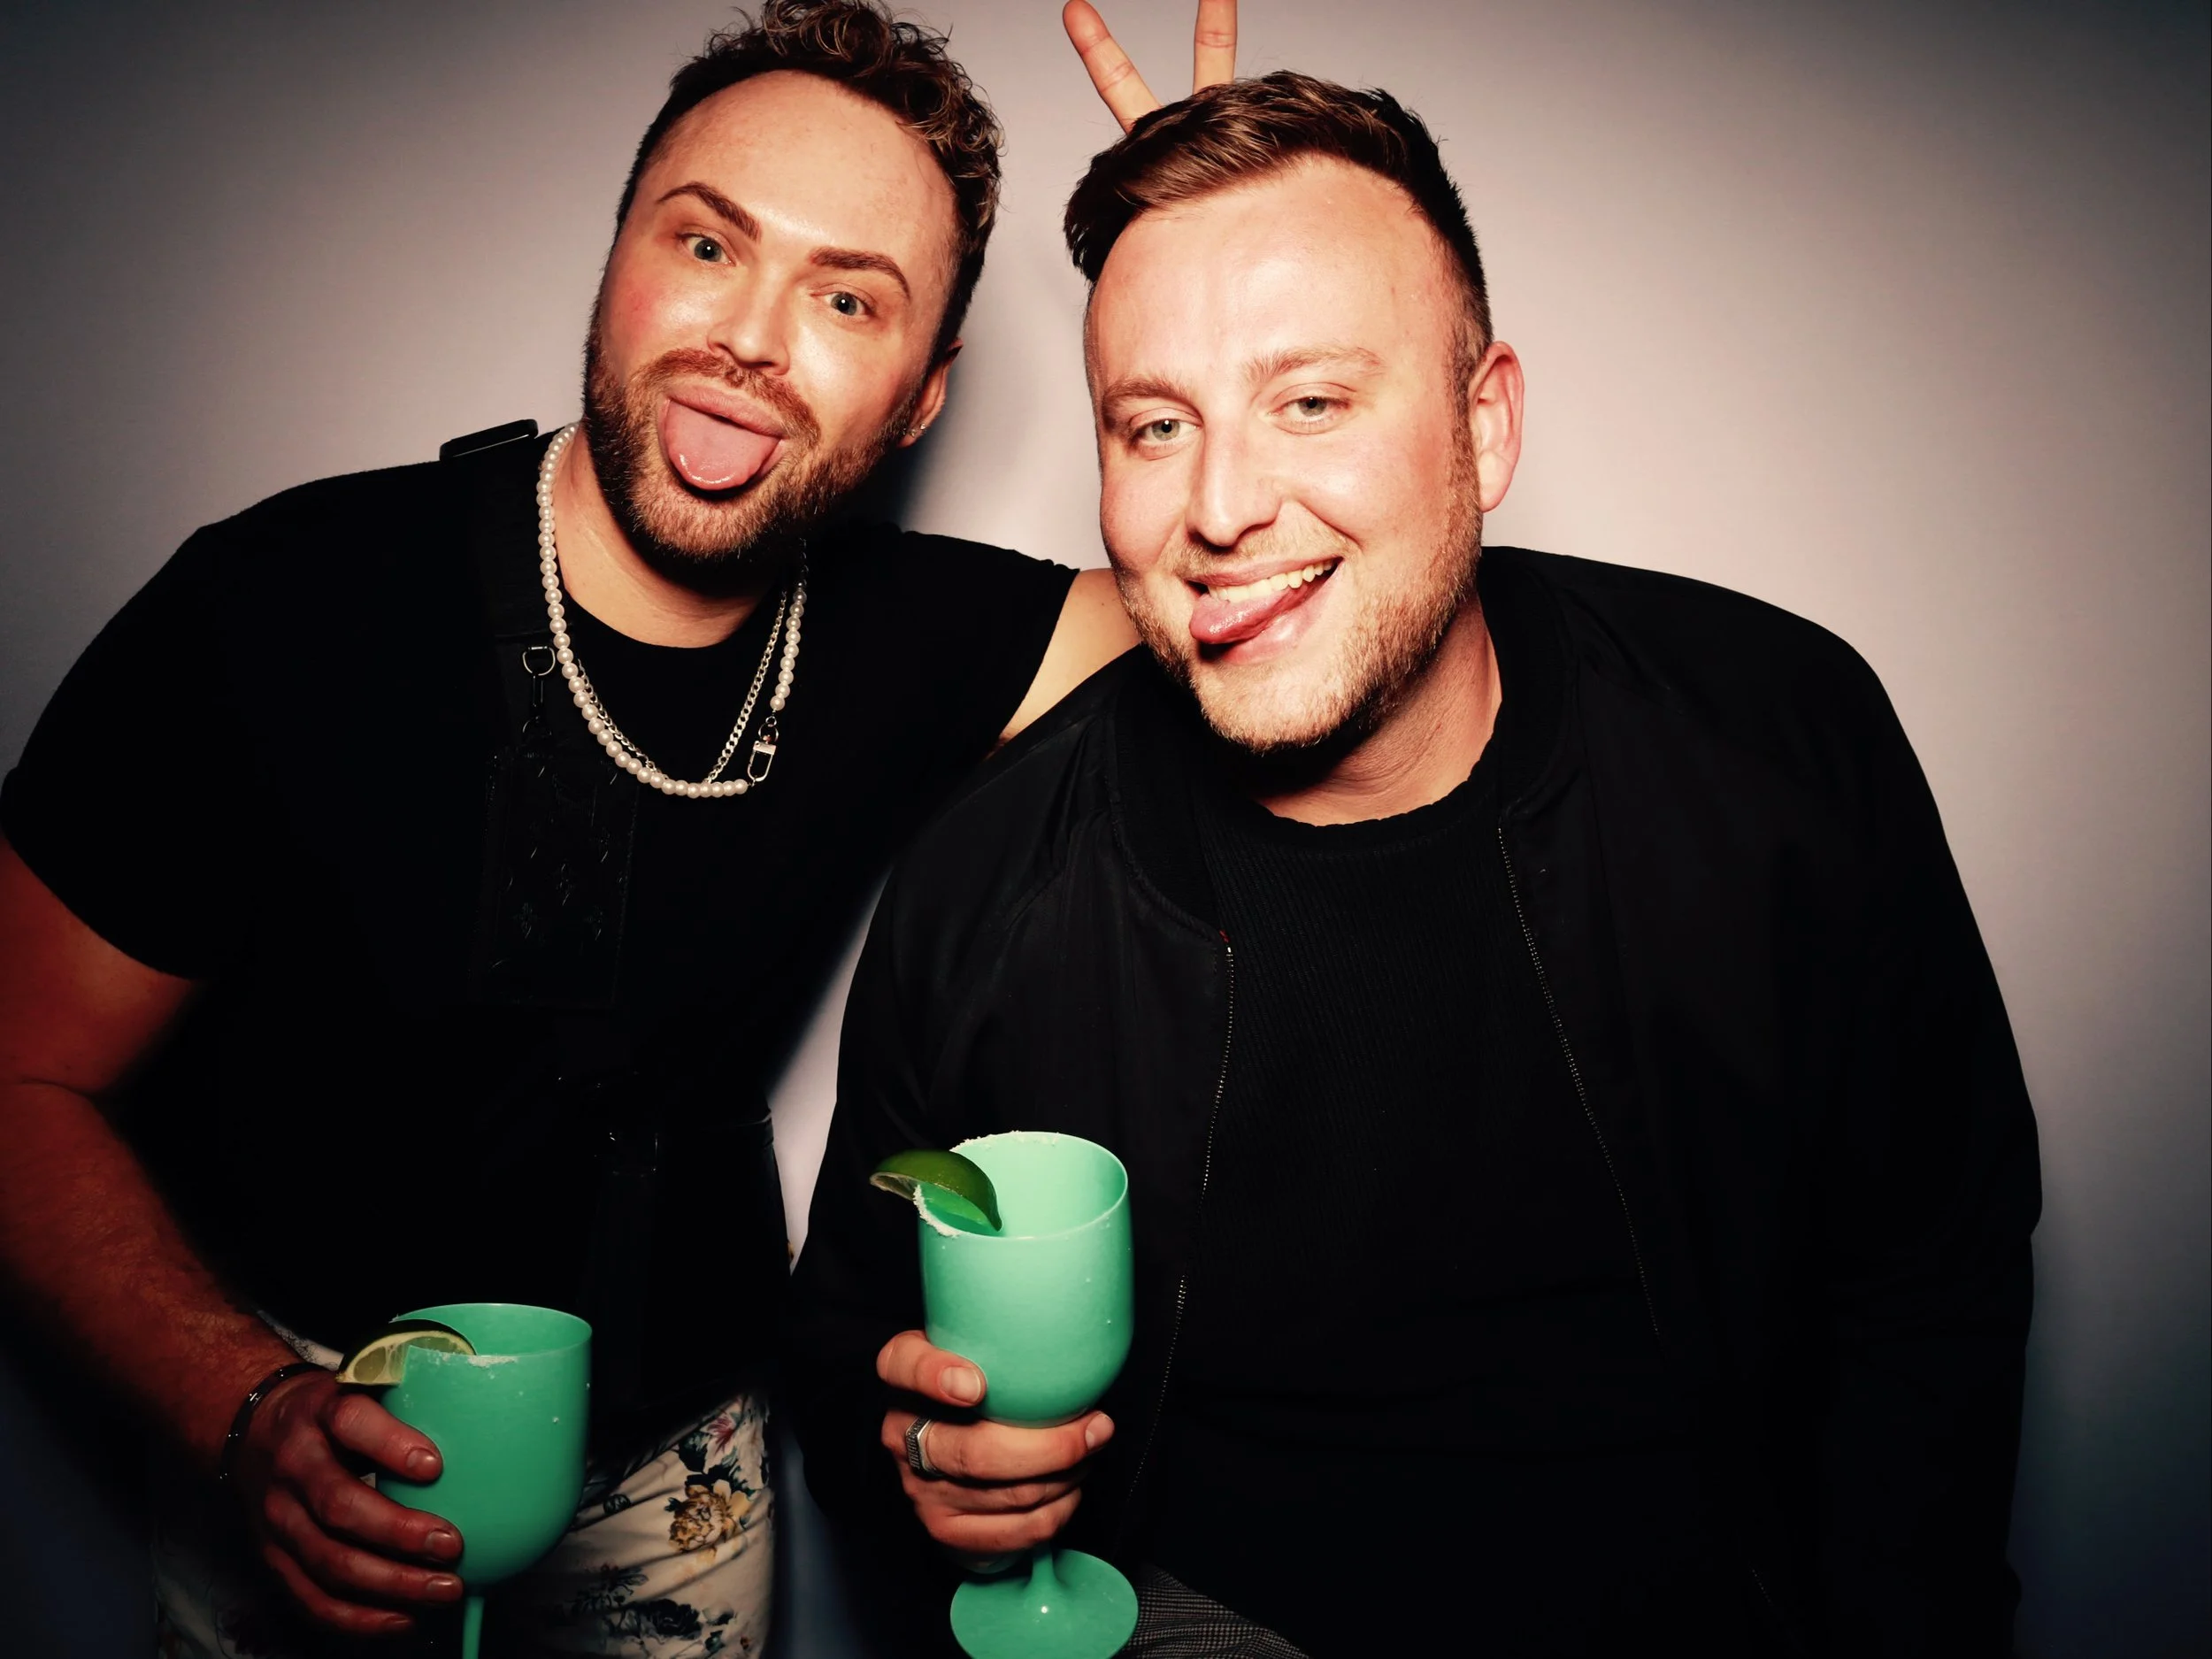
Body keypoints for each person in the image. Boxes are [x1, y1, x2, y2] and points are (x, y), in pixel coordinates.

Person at [0, 3, 1241, 1653]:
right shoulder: (278, 605)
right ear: (616, 261)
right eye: (708, 241)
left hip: (684, 1469)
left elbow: (1249, 588)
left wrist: (1222, 262)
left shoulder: (915, 635)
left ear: (923, 397)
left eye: (849, 295)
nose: (750, 333)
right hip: (299, 1430)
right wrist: (245, 1410)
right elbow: (18, 1074)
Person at [789, 70, 2043, 1658]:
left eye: (1311, 399)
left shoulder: (1779, 741)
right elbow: (847, 1360)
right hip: (1197, 1613)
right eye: (1154, 425)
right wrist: (926, 1454)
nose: (1224, 506)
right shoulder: (986, 887)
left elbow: (1931, 1271)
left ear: (1486, 420)